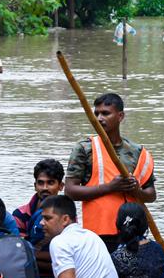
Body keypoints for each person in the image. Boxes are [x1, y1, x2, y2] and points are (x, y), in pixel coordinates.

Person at [64, 93, 156, 252]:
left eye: (106, 113)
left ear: (120, 116)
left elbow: (151, 195)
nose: (99, 118)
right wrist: (110, 187)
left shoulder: (138, 152)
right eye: (97, 113)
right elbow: (70, 191)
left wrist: (137, 191)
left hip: (133, 233)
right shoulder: (85, 148)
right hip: (98, 235)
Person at [12, 159, 65, 278]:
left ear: (61, 186)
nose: (45, 188)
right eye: (41, 183)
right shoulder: (20, 214)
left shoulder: (66, 216)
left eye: (51, 182)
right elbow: (19, 254)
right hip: (28, 276)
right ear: (35, 186)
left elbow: (66, 255)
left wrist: (32, 255)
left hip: (59, 275)